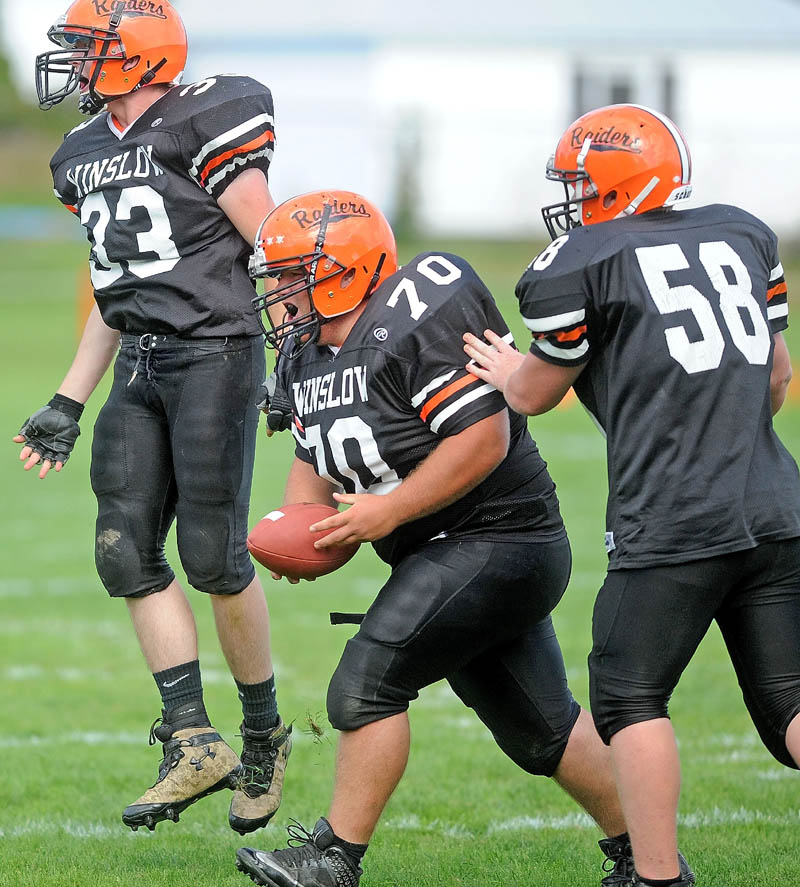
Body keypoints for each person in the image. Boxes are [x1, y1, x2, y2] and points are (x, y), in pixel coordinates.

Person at [233, 188, 635, 887]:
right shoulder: (305, 357)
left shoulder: (414, 313)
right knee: (543, 731)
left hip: (504, 537)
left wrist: (385, 515)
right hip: (443, 553)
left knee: (366, 682)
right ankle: (649, 856)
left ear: (343, 271)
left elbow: (484, 437)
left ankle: (334, 859)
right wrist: (309, 537)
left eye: (293, 276)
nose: (279, 295)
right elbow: (312, 468)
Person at [464, 103, 800, 886]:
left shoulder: (581, 262)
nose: (574, 201)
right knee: (790, 703)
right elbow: (778, 379)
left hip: (675, 519)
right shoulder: (746, 233)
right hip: (778, 503)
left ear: (619, 183)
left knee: (629, 695)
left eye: (582, 184)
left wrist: (507, 367)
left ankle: (655, 876)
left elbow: (534, 394)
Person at [16, 0, 291, 835]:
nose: (70, 64)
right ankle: (193, 738)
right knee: (123, 550)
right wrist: (68, 396)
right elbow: (115, 284)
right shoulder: (85, 151)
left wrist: (300, 356)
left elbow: (273, 242)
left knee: (214, 556)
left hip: (216, 351)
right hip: (138, 358)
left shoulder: (204, 117)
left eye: (86, 49)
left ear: (136, 56)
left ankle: (262, 733)